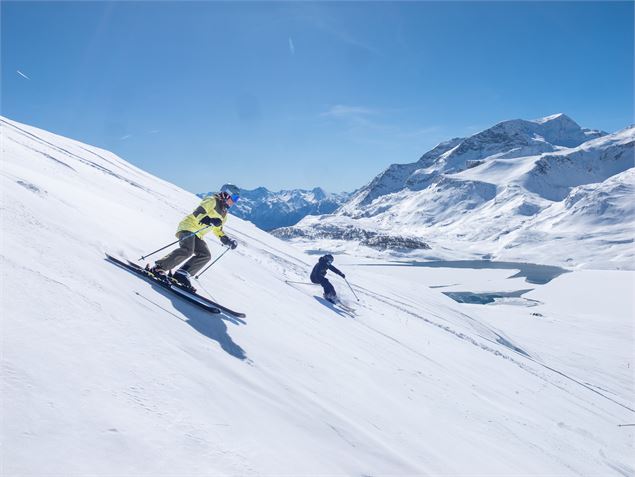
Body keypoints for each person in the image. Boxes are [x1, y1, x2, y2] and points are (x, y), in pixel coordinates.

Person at [152, 184, 240, 289]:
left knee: (205, 255)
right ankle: (159, 268)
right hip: (188, 227)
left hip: (198, 234)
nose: (235, 201)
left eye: (237, 199)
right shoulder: (212, 200)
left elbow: (217, 229)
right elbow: (198, 213)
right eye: (234, 198)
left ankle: (182, 273)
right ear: (226, 194)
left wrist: (226, 240)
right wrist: (209, 220)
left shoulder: (224, 214)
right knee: (187, 250)